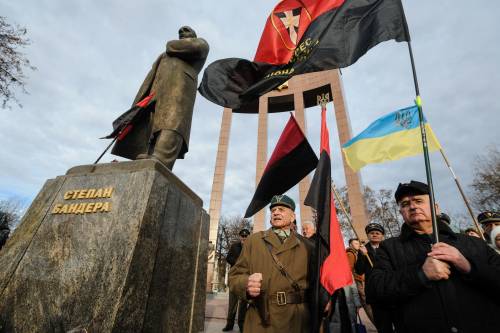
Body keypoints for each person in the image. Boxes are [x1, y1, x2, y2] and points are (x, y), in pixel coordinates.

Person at [366, 180, 500, 333]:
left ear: (435, 208)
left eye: (419, 201)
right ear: (401, 213)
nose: (413, 206)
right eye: (405, 204)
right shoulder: (389, 248)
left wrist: (469, 266)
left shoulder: (473, 243)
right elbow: (375, 290)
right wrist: (420, 275)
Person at [111, 26, 209, 169]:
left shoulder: (200, 43)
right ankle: (150, 151)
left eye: (186, 31)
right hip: (158, 89)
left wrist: (171, 44)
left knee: (173, 122)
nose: (182, 33)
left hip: (180, 86)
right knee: (154, 122)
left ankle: (162, 156)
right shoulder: (166, 54)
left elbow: (182, 47)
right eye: (180, 32)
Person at [228, 194, 313, 333]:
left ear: (293, 217)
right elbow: (234, 276)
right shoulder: (254, 241)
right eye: (273, 210)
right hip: (261, 319)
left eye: (281, 209)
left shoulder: (307, 246)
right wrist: (246, 284)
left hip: (296, 320)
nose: (276, 212)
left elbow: (317, 282)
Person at [355, 223, 394, 332]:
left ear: (382, 235)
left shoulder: (389, 247)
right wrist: (362, 256)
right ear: (368, 235)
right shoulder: (363, 250)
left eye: (377, 233)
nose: (375, 235)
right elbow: (359, 270)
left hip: (391, 289)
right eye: (372, 233)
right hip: (375, 293)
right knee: (383, 325)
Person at [223, 228, 250, 332]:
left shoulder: (251, 247)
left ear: (248, 236)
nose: (244, 238)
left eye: (246, 236)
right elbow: (228, 258)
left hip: (245, 278)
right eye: (242, 236)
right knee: (232, 303)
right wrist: (237, 263)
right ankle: (229, 324)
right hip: (234, 277)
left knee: (243, 303)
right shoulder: (234, 246)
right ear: (240, 236)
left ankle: (241, 324)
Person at [346, 238, 374, 325]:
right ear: (351, 245)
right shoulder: (350, 254)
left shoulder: (357, 253)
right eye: (355, 243)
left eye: (358, 243)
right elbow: (349, 270)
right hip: (357, 282)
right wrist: (359, 277)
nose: (358, 245)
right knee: (367, 303)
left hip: (360, 281)